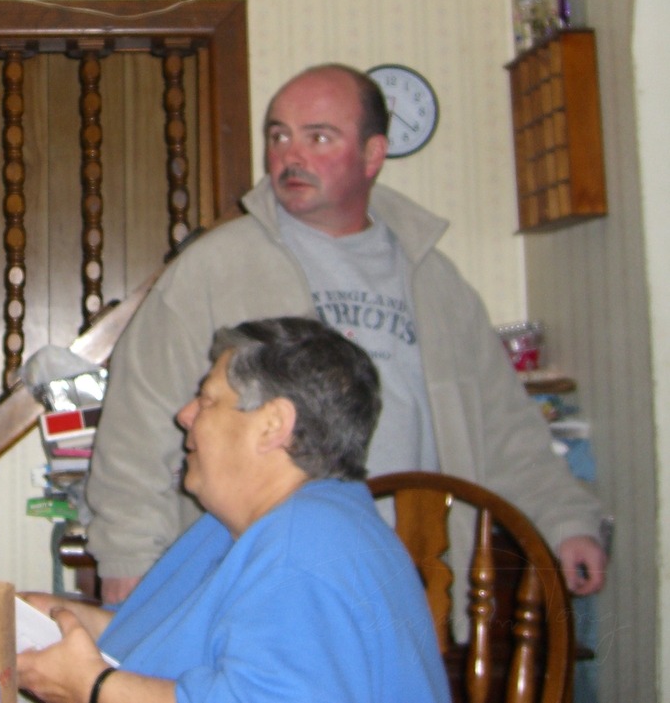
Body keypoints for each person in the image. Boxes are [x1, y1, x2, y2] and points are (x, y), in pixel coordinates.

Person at [87, 64, 606, 607]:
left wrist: (566, 519)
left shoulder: (436, 279)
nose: (290, 156)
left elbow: (504, 424)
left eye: (318, 137)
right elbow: (137, 423)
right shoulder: (212, 268)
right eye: (279, 136)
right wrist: (127, 557)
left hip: (413, 578)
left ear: (373, 154)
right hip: (257, 586)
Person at [19, 318, 449, 703]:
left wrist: (93, 690)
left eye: (207, 401)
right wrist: (64, 620)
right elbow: (176, 639)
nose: (184, 415)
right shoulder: (244, 527)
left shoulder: (304, 545)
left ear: (272, 425)